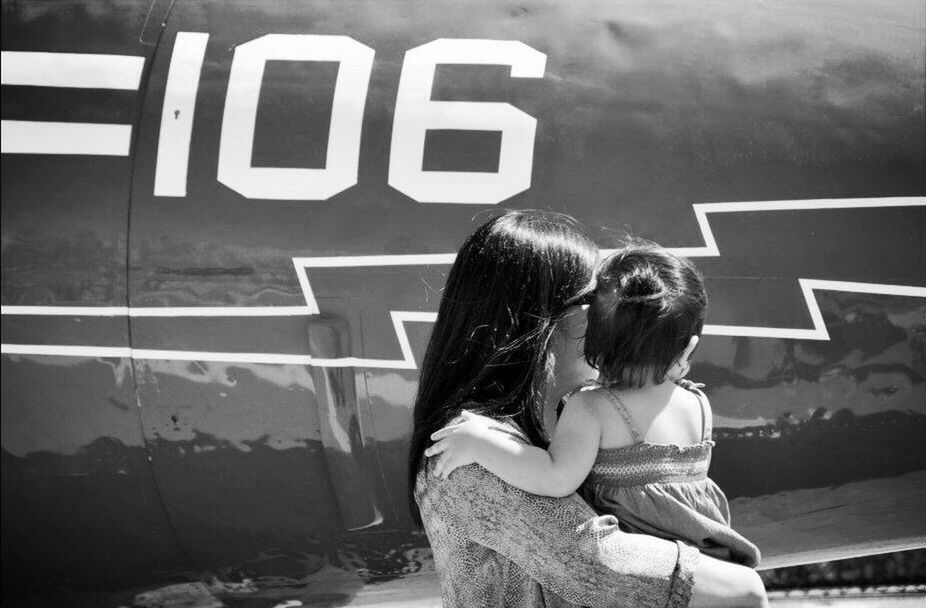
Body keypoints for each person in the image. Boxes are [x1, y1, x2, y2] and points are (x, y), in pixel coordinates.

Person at [408, 212, 767, 608]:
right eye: (593, 300)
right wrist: (743, 589)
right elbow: (595, 563)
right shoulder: (469, 452)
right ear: (541, 319)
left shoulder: (568, 421)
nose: (616, 320)